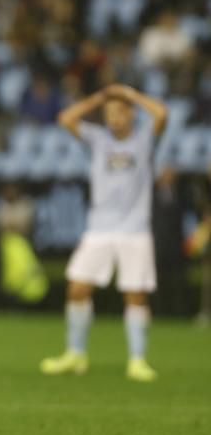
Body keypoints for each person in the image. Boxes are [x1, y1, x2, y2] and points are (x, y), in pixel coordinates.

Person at [40, 83, 166, 382]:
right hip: (99, 228)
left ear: (131, 115)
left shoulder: (144, 139)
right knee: (77, 289)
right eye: (109, 114)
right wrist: (99, 97)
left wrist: (131, 94)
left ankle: (137, 360)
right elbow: (66, 119)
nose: (114, 119)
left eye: (119, 113)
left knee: (135, 295)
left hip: (134, 230)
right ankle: (75, 353)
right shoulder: (97, 139)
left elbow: (162, 114)